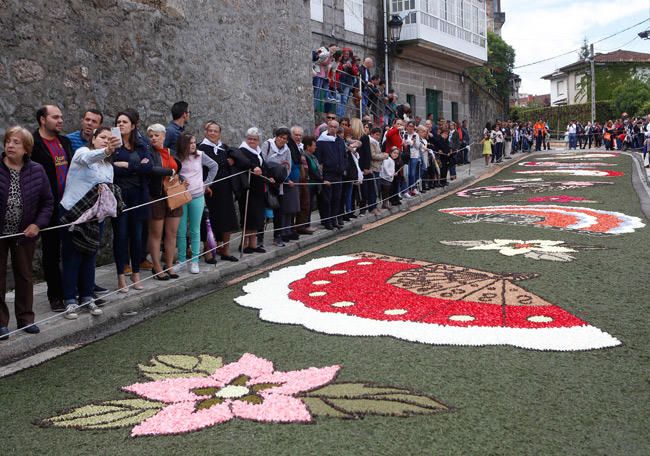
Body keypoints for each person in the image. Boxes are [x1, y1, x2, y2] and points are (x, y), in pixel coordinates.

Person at [59, 127, 121, 319]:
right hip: (73, 212)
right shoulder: (82, 153)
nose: (105, 140)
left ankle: (87, 296)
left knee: (90, 257)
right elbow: (87, 159)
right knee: (72, 257)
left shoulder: (109, 167)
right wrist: (107, 151)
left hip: (95, 217)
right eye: (102, 137)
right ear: (93, 139)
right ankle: (69, 299)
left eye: (109, 138)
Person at [0, 127, 53, 339]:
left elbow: (47, 202)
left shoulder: (37, 170)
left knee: (24, 275)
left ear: (26, 149)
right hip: (0, 233)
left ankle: (26, 319)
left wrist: (37, 225)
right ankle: (1, 324)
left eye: (16, 142)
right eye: (8, 141)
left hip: (25, 233)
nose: (10, 145)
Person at [30, 105, 73, 312]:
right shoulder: (33, 144)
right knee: (51, 253)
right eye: (55, 117)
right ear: (42, 119)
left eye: (61, 117)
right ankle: (55, 296)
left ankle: (75, 291)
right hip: (47, 208)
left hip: (70, 206)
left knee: (73, 249)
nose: (60, 120)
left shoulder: (64, 142)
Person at [111, 111, 153, 292]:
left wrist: (128, 165)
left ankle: (136, 274)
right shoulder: (112, 146)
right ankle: (121, 277)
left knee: (137, 236)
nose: (121, 124)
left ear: (133, 125)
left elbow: (149, 166)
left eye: (124, 121)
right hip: (120, 196)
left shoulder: (141, 145)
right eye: (118, 121)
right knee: (120, 236)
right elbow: (111, 169)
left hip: (138, 196)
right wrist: (137, 167)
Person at [176, 132, 219, 273]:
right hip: (181, 197)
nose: (193, 145)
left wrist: (207, 184)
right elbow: (173, 173)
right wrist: (180, 179)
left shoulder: (200, 155)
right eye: (190, 143)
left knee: (195, 230)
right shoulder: (177, 157)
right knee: (181, 230)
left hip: (198, 196)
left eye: (194, 142)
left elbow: (214, 166)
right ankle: (181, 260)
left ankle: (195, 261)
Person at [146, 124, 183, 280]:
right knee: (156, 234)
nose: (153, 138)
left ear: (164, 136)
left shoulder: (171, 153)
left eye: (156, 135)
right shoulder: (148, 153)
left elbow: (179, 169)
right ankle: (157, 267)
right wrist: (170, 172)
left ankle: (169, 265)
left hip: (173, 195)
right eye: (151, 136)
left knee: (171, 233)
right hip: (156, 196)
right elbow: (151, 170)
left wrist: (180, 179)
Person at [198, 121, 240, 261]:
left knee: (226, 219)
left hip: (225, 188)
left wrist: (232, 160)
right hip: (209, 189)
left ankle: (225, 250)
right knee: (209, 220)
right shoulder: (201, 148)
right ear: (206, 132)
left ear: (219, 133)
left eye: (216, 131)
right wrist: (205, 184)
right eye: (210, 130)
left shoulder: (224, 148)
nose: (213, 133)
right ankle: (208, 251)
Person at [232, 128, 272, 253]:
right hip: (248, 188)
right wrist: (253, 167)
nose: (252, 141)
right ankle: (244, 244)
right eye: (250, 138)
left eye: (255, 139)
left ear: (259, 140)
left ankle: (253, 244)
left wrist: (268, 176)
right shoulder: (242, 150)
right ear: (246, 138)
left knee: (256, 217)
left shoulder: (258, 151)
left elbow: (263, 166)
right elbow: (243, 163)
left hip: (258, 188)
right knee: (248, 216)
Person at [261, 127, 295, 246]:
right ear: (276, 136)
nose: (282, 140)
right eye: (280, 137)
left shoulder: (287, 150)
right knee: (263, 211)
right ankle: (259, 239)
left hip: (279, 183)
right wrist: (268, 176)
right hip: (266, 181)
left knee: (278, 211)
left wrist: (283, 178)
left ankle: (277, 236)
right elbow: (263, 161)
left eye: (285, 138)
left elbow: (288, 166)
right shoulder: (267, 145)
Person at [316, 120, 346, 230]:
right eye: (331, 126)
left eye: (335, 127)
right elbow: (319, 160)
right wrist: (322, 177)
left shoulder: (340, 141)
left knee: (336, 198)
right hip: (327, 174)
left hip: (338, 174)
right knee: (327, 199)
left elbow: (344, 156)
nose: (333, 128)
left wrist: (344, 167)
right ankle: (327, 221)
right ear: (328, 127)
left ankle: (334, 219)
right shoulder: (321, 142)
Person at [336, 48, 359, 118]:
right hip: (340, 81)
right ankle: (338, 114)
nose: (346, 55)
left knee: (345, 99)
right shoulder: (340, 60)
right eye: (345, 54)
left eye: (347, 54)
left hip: (348, 82)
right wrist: (343, 66)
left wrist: (351, 67)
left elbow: (356, 72)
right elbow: (337, 69)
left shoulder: (352, 62)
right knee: (339, 98)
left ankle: (341, 115)